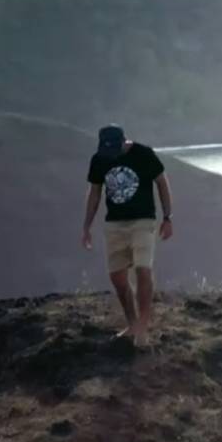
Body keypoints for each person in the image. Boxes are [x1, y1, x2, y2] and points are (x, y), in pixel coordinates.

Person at [82, 125, 173, 346]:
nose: (111, 153)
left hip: (143, 220)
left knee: (143, 268)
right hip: (114, 223)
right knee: (118, 277)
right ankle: (132, 324)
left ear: (124, 141)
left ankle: (143, 326)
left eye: (114, 148)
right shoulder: (99, 159)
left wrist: (167, 217)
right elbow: (95, 192)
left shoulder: (144, 154)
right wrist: (86, 226)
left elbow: (162, 182)